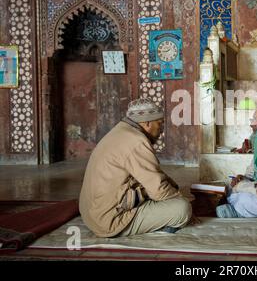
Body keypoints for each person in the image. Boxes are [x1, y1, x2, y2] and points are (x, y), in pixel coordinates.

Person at [79, 98, 192, 237]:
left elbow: (152, 174)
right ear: (147, 123)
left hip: (90, 213)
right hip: (108, 221)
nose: (161, 130)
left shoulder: (121, 130)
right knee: (182, 209)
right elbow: (159, 191)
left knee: (168, 190)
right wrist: (182, 198)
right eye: (160, 124)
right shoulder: (137, 141)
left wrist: (172, 187)